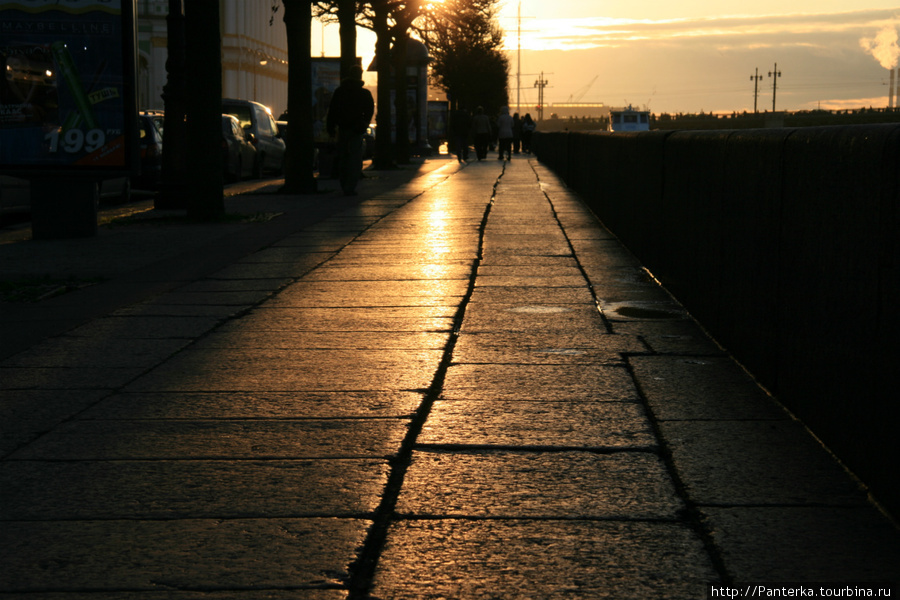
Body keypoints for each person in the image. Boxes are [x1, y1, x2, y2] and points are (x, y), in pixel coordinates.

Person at [326, 65, 374, 195]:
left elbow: (332, 111)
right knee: (354, 158)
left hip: (342, 129)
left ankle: (344, 183)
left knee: (343, 158)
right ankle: (350, 187)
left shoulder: (340, 92)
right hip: (356, 130)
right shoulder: (364, 93)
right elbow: (369, 111)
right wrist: (364, 123)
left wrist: (330, 127)